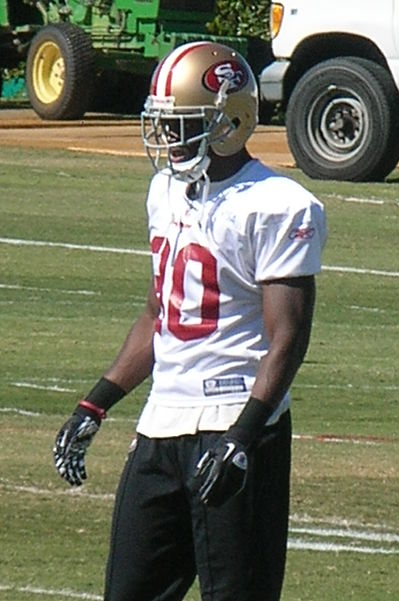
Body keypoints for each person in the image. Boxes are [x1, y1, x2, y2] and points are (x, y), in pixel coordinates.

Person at [53, 41, 327, 601]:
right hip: (162, 421)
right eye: (164, 125)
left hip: (234, 419)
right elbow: (160, 313)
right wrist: (95, 403)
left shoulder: (278, 203)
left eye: (183, 124)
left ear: (230, 120)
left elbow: (288, 336)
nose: (170, 141)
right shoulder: (165, 190)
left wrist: (244, 437)